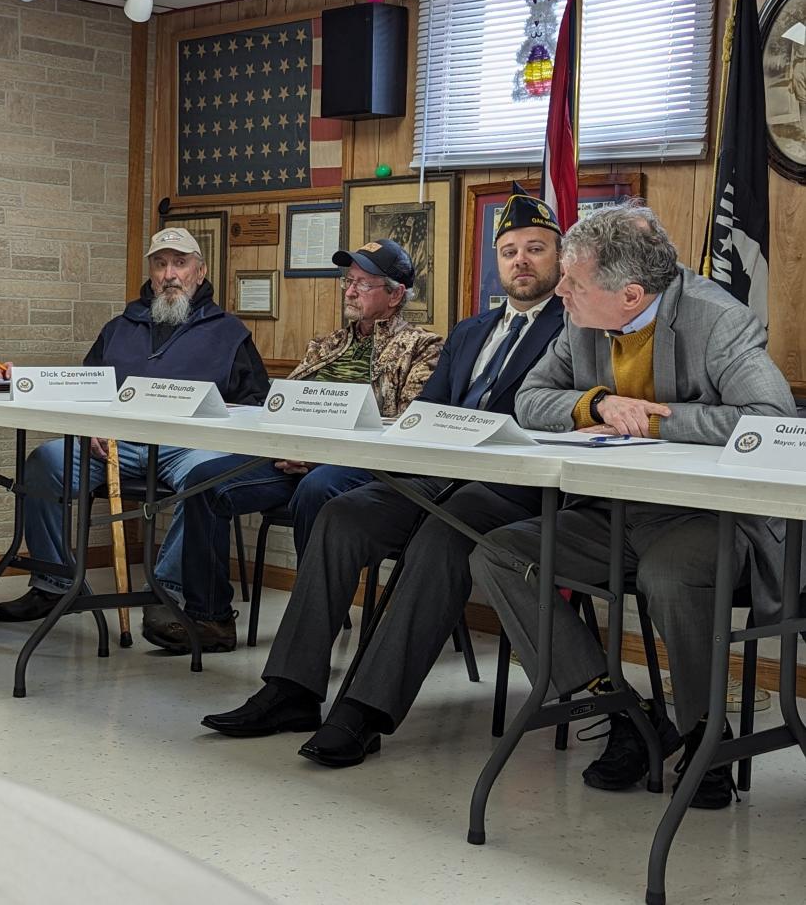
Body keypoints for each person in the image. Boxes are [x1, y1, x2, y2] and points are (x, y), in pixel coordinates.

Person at [200, 185, 565, 767]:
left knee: (442, 539)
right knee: (342, 514)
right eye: (510, 250)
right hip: (434, 475)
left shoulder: (577, 330)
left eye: (536, 249)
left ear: (560, 259)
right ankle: (292, 689)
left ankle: (364, 710)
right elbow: (427, 414)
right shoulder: (473, 331)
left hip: (509, 487)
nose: (521, 260)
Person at [469, 200, 795, 809]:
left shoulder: (717, 320)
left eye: (574, 280)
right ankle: (617, 707)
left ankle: (705, 734)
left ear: (631, 293)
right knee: (501, 554)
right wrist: (594, 405)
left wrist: (656, 421)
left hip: (709, 516)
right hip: (617, 510)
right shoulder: (580, 317)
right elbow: (530, 397)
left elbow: (771, 419)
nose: (559, 289)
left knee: (669, 574)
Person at [142, 238, 443, 654]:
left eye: (362, 283)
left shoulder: (423, 347)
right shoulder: (326, 345)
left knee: (316, 490)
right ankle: (209, 618)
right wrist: (283, 441)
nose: (350, 291)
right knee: (202, 481)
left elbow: (406, 425)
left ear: (394, 295)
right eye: (348, 281)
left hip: (357, 466)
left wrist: (320, 455)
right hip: (290, 458)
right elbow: (281, 402)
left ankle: (313, 630)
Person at [0, 227, 270, 623]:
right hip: (114, 447)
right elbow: (85, 389)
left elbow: (254, 406)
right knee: (44, 463)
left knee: (205, 479)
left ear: (200, 271)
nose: (169, 274)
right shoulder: (121, 326)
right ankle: (53, 585)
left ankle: (168, 592)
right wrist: (88, 429)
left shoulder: (229, 333)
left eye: (180, 263)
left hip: (187, 449)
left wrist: (215, 433)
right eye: (160, 264)